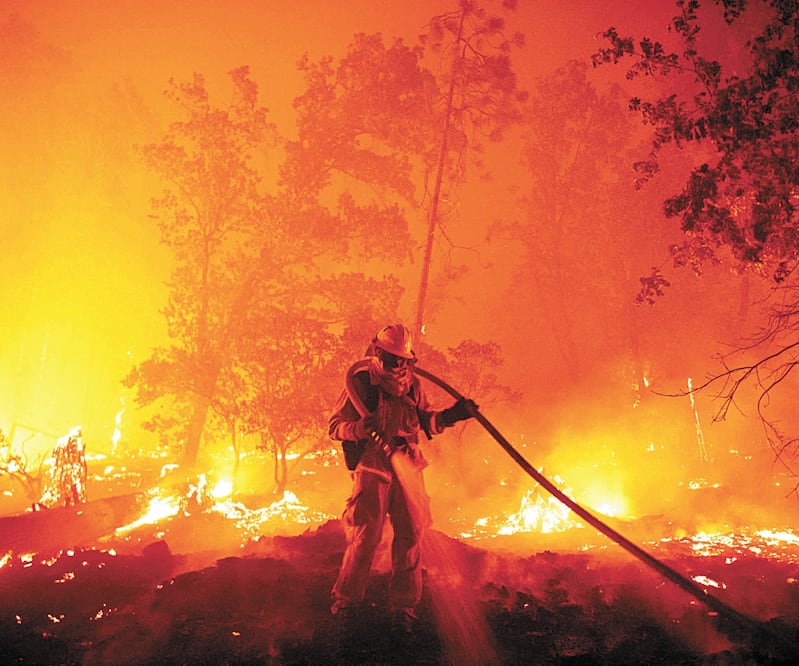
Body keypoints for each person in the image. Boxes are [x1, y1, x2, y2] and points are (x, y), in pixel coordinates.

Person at [328, 323, 477, 632]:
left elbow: (428, 423)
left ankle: (404, 607)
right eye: (393, 359)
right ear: (377, 353)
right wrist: (356, 429)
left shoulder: (413, 387)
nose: (398, 366)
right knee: (365, 536)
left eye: (403, 361)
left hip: (408, 466)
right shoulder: (361, 383)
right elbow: (334, 426)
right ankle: (346, 601)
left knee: (410, 535)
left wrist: (453, 415)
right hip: (373, 467)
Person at [39, 426, 87, 508]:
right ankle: (67, 502)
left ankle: (73, 501)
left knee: (72, 486)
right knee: (66, 487)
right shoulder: (64, 444)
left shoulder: (74, 444)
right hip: (65, 470)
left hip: (70, 470)